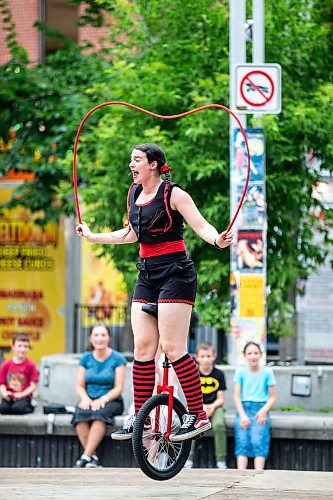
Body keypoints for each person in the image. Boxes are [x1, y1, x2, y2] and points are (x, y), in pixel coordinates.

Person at [76, 143, 233, 442]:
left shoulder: (174, 194)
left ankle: (197, 415)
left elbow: (201, 225)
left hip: (176, 273)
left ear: (154, 164)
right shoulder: (133, 194)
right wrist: (93, 236)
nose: (131, 165)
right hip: (147, 273)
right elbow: (131, 234)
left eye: (136, 160)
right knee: (142, 350)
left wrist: (217, 240)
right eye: (131, 160)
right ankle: (142, 417)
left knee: (173, 349)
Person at [72, 322, 126, 467]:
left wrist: (103, 399)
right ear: (90, 338)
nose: (99, 338)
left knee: (99, 415)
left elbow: (118, 388)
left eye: (103, 335)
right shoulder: (85, 358)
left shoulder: (118, 358)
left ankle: (84, 457)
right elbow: (79, 385)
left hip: (111, 400)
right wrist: (85, 398)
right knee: (80, 415)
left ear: (109, 338)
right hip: (88, 398)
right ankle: (93, 457)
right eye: (96, 335)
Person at [233, 341, 276, 470]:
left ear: (261, 355)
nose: (253, 356)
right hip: (243, 409)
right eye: (250, 353)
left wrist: (264, 411)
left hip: (260, 409)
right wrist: (242, 415)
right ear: (245, 356)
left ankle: (258, 474)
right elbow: (236, 396)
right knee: (242, 442)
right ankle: (240, 475)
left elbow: (273, 396)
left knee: (259, 442)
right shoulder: (240, 372)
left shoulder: (267, 372)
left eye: (256, 353)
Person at [185, 342, 227, 469]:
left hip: (215, 406)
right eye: (203, 356)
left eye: (208, 356)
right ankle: (188, 458)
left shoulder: (219, 374)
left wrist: (212, 407)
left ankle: (221, 459)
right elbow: (189, 397)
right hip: (196, 405)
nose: (206, 359)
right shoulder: (193, 373)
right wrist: (201, 407)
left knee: (219, 425)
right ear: (197, 357)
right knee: (190, 424)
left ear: (214, 356)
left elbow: (221, 399)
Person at [0, 333, 39, 415]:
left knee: (18, 409)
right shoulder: (6, 364)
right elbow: (2, 383)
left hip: (24, 396)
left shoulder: (30, 365)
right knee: (3, 409)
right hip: (9, 396)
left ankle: (31, 405)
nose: (22, 349)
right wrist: (4, 393)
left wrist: (21, 395)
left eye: (25, 347)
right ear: (13, 347)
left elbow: (33, 386)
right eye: (19, 346)